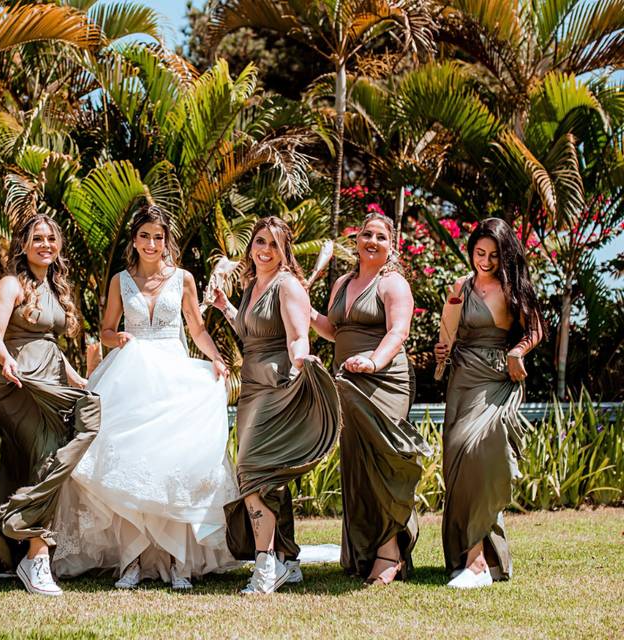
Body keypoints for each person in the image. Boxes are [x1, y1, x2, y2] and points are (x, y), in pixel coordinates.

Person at [52, 205, 239, 590]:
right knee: (130, 466)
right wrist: (116, 338)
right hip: (133, 376)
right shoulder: (121, 280)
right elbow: (105, 329)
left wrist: (217, 359)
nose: (152, 244)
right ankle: (132, 561)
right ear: (134, 241)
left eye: (158, 237)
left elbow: (197, 330)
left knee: (172, 465)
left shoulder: (183, 279)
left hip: (173, 377)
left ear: (165, 240)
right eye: (144, 236)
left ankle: (175, 562)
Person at [212, 216, 340, 595]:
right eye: (258, 242)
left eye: (272, 244)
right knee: (271, 479)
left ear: (284, 250)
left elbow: (298, 337)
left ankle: (266, 565)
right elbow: (251, 334)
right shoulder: (254, 285)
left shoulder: (288, 286)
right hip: (251, 388)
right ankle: (289, 559)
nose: (263, 250)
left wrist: (301, 362)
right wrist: (225, 308)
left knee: (253, 471)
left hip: (275, 387)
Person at [0, 214, 101, 597]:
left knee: (25, 463)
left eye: (51, 238)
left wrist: (75, 377)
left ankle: (7, 554)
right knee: (49, 456)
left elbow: (49, 341)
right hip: (17, 383)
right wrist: (6, 360)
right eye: (37, 238)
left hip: (49, 378)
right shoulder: (10, 284)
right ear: (24, 244)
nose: (45, 244)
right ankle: (36, 556)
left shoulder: (55, 287)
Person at [311, 212, 431, 586]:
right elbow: (334, 330)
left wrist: (373, 361)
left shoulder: (392, 283)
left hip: (383, 382)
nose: (372, 241)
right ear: (357, 240)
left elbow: (399, 330)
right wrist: (306, 311)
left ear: (390, 245)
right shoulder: (343, 282)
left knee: (384, 463)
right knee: (357, 467)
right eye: (367, 234)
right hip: (347, 383)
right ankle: (363, 551)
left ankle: (390, 552)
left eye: (381, 236)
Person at [434, 217, 545, 589]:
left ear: (505, 255)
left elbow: (536, 329)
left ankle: (477, 562)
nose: (485, 261)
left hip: (498, 379)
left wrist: (518, 350)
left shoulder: (513, 288)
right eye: (479, 253)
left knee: (481, 454)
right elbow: (446, 334)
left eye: (493, 255)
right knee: (459, 464)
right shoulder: (460, 286)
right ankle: (473, 557)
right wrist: (440, 351)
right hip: (462, 380)